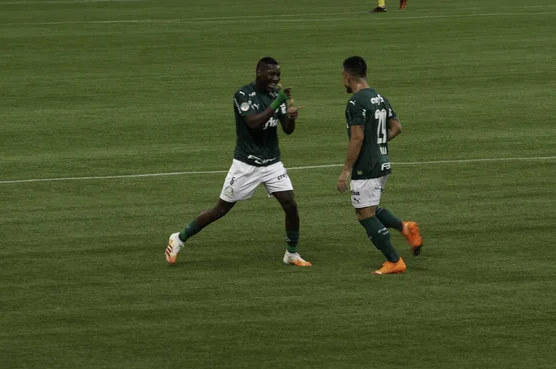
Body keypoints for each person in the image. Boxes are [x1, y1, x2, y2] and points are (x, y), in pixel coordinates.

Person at [165, 57, 312, 267]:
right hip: (246, 165)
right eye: (271, 74)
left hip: (271, 164)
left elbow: (287, 130)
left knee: (290, 204)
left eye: (278, 74)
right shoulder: (243, 95)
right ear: (259, 73)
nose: (276, 78)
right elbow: (254, 124)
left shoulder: (274, 95)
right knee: (221, 210)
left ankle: (291, 253)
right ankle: (178, 238)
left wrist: (290, 115)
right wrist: (277, 102)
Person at [337, 56, 422, 275]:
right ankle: (405, 227)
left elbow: (357, 138)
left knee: (364, 214)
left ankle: (394, 261)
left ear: (348, 76)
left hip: (366, 167)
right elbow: (397, 127)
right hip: (383, 162)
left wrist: (346, 170)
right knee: (371, 208)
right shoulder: (379, 97)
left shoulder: (356, 102)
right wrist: (377, 145)